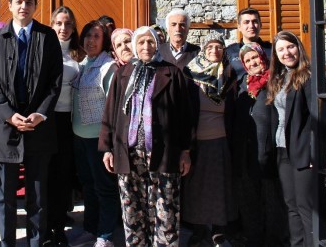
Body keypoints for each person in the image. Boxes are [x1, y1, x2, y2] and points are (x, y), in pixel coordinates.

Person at [0, 0, 63, 247]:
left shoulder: (47, 36)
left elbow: (55, 80)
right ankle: (8, 243)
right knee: (5, 196)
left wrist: (41, 114)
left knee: (37, 195)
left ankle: (36, 242)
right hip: (7, 128)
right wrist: (8, 115)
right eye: (18, 1)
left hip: (39, 127)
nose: (23, 6)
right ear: (10, 6)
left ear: (35, 5)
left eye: (29, 2)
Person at [99, 26, 194, 247]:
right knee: (132, 208)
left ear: (157, 44)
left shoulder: (171, 73)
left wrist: (186, 151)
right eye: (140, 42)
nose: (145, 47)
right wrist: (106, 148)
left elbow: (185, 117)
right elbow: (110, 113)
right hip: (128, 152)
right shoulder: (124, 74)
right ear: (134, 46)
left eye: (150, 42)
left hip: (164, 152)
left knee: (165, 207)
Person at [182, 33, 238, 247]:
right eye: (210, 47)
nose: (215, 51)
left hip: (221, 140)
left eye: (219, 47)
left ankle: (218, 230)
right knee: (196, 187)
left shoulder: (230, 74)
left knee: (219, 187)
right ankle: (198, 229)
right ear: (203, 50)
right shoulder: (191, 73)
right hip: (197, 140)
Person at [232, 43, 288, 246]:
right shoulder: (244, 85)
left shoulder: (276, 82)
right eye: (247, 61)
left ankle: (274, 241)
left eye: (255, 58)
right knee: (249, 202)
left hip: (269, 154)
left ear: (263, 57)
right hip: (246, 154)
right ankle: (253, 238)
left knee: (272, 203)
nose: (252, 62)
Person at [72, 20, 119, 247]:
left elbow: (115, 107)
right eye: (87, 36)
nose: (91, 40)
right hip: (80, 137)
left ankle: (106, 234)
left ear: (105, 41)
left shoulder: (107, 68)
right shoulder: (83, 65)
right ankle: (90, 228)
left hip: (98, 139)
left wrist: (109, 144)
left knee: (104, 188)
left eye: (96, 36)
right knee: (88, 186)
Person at [267, 31, 314, 247]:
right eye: (281, 50)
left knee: (305, 205)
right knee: (291, 205)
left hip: (302, 150)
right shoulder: (280, 78)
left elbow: (317, 119)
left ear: (298, 48)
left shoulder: (308, 77)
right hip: (282, 149)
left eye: (290, 47)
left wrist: (314, 152)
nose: (287, 53)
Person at [45, 6, 82, 246]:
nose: (63, 28)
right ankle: (45, 227)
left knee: (63, 176)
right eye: (58, 23)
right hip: (48, 120)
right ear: (52, 25)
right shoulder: (45, 50)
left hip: (71, 120)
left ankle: (59, 227)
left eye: (67, 23)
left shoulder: (79, 54)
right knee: (46, 175)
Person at [224, 7, 272, 95]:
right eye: (246, 22)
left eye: (255, 21)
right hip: (240, 104)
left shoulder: (272, 50)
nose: (251, 26)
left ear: (260, 24)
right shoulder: (229, 52)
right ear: (239, 27)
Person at [158, 8, 200, 72]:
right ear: (167, 29)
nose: (178, 29)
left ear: (188, 29)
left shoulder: (197, 52)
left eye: (182, 25)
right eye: (173, 25)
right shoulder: (158, 51)